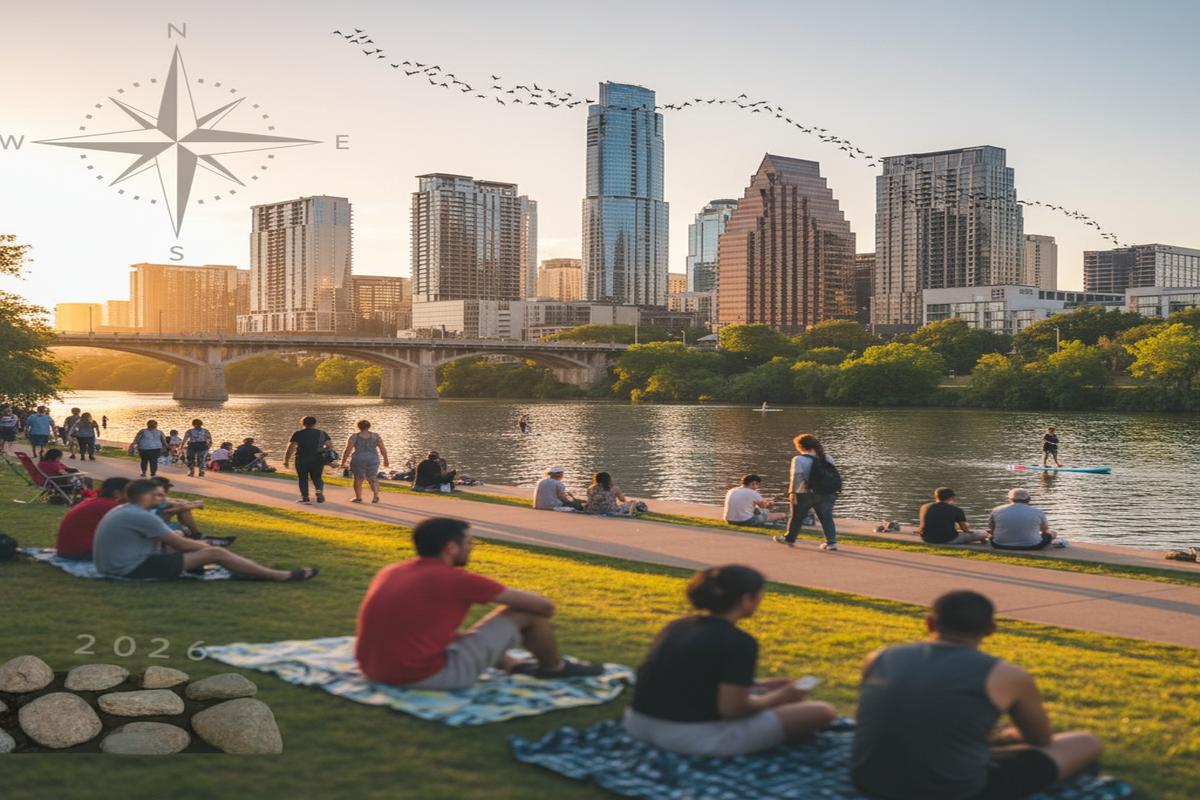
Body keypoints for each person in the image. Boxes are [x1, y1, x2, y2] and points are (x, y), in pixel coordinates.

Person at [851, 590, 1103, 800]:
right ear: (991, 629)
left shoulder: (880, 657)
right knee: (1086, 742)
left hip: (870, 780)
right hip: (957, 792)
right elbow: (1040, 739)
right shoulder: (1007, 675)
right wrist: (1011, 737)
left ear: (929, 623)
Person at [355, 516, 602, 689]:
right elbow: (545, 607)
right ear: (451, 548)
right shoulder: (456, 579)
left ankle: (511, 664)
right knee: (527, 613)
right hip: (423, 676)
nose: (471, 548)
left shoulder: (393, 571)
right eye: (468, 543)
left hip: (375, 670)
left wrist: (503, 658)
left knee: (484, 628)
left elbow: (421, 628)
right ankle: (554, 669)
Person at [625, 565, 836, 756]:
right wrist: (782, 695)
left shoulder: (678, 626)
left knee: (776, 698)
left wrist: (758, 686)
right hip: (689, 737)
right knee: (822, 711)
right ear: (746, 599)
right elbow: (733, 709)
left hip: (637, 722)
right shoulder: (740, 642)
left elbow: (687, 676)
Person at [93, 479, 317, 581]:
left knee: (186, 545)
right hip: (129, 569)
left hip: (112, 565)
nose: (162, 498)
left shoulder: (127, 510)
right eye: (159, 495)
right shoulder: (140, 516)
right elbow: (183, 544)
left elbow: (173, 541)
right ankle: (278, 576)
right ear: (146, 497)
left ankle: (247, 569)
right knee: (215, 553)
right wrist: (207, 547)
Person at [774, 433, 841, 551]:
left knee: (797, 517)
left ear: (800, 446)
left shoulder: (799, 459)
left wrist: (792, 493)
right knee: (826, 517)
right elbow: (833, 475)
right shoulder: (827, 457)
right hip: (827, 493)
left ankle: (789, 538)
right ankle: (831, 543)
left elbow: (796, 477)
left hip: (805, 493)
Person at [55, 477, 130, 560]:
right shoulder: (111, 507)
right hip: (81, 552)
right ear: (117, 493)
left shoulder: (93, 501)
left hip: (66, 551)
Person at [149, 476, 234, 547]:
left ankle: (196, 535)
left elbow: (178, 501)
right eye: (167, 487)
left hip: (161, 525)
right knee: (180, 527)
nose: (168, 490)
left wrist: (192, 503)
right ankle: (196, 538)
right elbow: (175, 507)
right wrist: (197, 505)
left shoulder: (153, 496)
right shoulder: (153, 498)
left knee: (183, 512)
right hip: (156, 529)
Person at [989, 488, 1059, 550]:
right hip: (1032, 546)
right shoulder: (1038, 512)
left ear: (1009, 499)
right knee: (1052, 533)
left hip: (999, 545)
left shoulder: (996, 510)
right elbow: (1044, 531)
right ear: (1029, 499)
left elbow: (992, 531)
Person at [284, 416, 332, 504]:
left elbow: (291, 447)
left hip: (301, 458)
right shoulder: (322, 433)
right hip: (317, 459)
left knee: (302, 478)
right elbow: (329, 446)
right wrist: (322, 448)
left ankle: (305, 498)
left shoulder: (298, 433)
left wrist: (286, 460)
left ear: (303, 423)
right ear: (315, 423)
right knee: (317, 477)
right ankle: (319, 491)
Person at [341, 420, 390, 504]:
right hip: (373, 459)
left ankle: (358, 498)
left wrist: (343, 461)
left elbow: (348, 450)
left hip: (358, 459)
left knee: (358, 479)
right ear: (369, 426)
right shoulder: (376, 436)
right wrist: (386, 459)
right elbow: (382, 449)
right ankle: (375, 496)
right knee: (372, 478)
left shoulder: (354, 436)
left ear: (358, 427)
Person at [919, 487, 988, 545]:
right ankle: (984, 542)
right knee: (984, 533)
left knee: (953, 526)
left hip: (926, 538)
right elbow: (965, 529)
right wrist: (968, 529)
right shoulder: (956, 509)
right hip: (947, 540)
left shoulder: (924, 506)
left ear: (935, 496)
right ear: (951, 497)